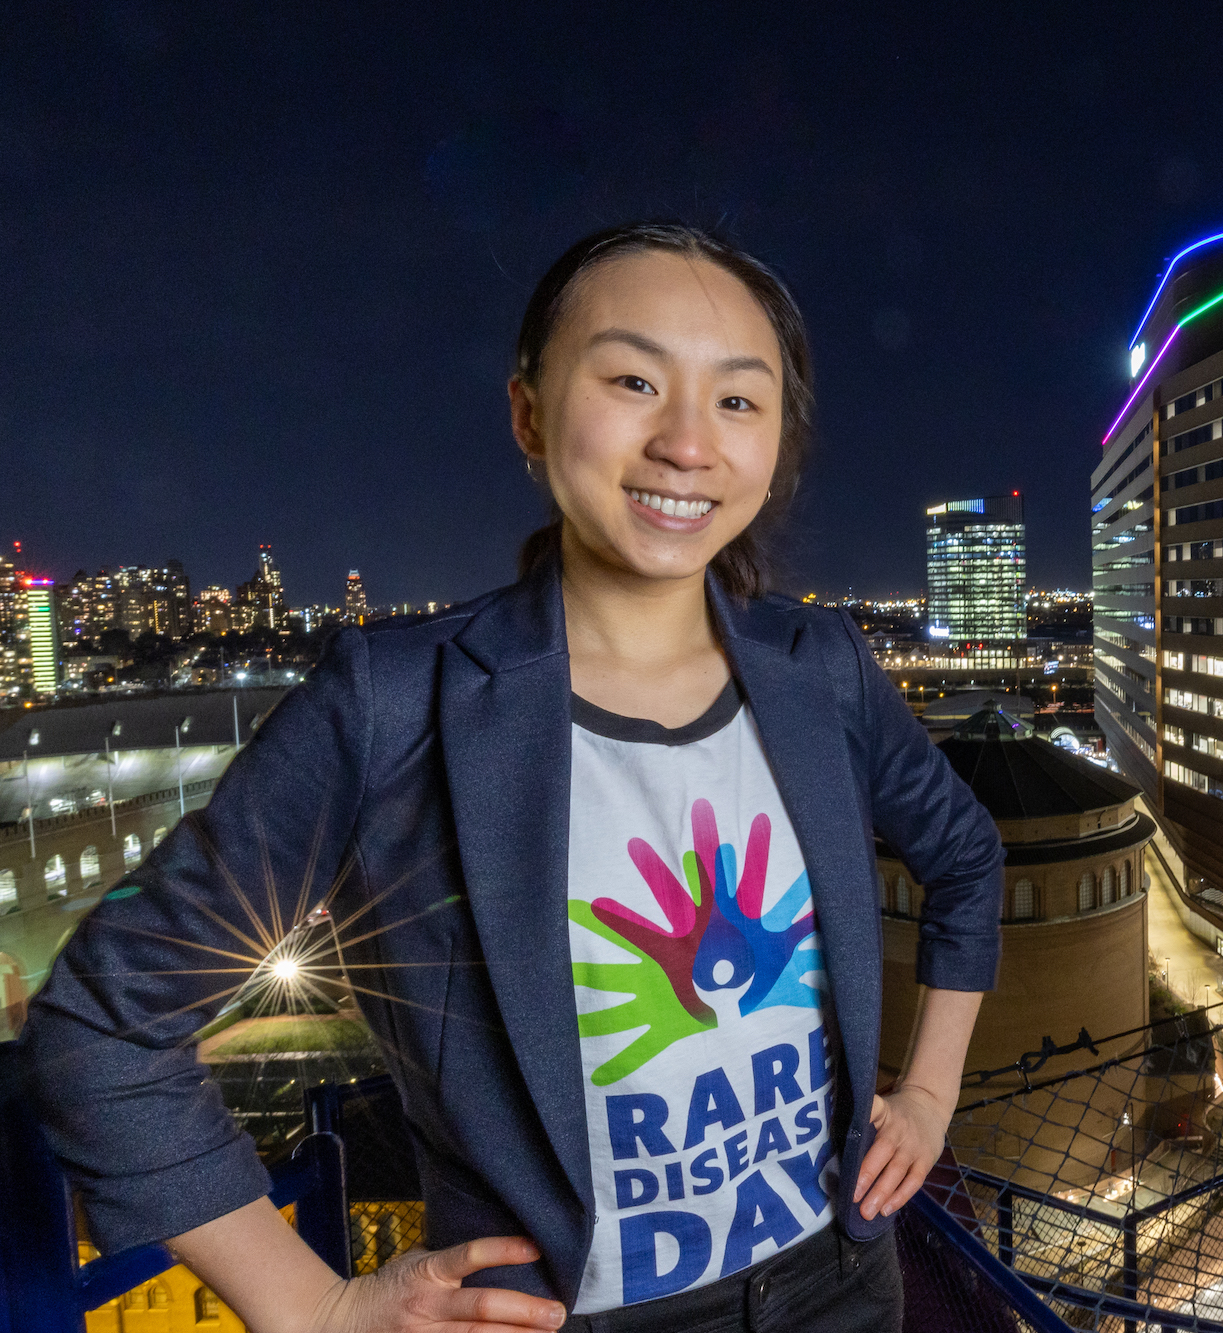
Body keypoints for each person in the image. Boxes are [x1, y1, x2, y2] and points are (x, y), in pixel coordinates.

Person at [25, 222, 1005, 1333]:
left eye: (739, 399)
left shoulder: (818, 668)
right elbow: (102, 1027)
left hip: (840, 1281)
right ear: (529, 414)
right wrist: (315, 1308)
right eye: (633, 379)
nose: (688, 442)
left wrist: (926, 1093)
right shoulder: (392, 703)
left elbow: (966, 858)